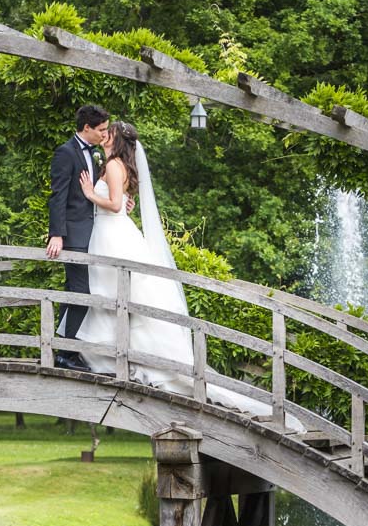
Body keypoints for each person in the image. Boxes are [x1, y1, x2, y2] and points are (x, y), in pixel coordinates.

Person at [75, 120, 304, 430]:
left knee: (117, 297)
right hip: (113, 234)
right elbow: (124, 204)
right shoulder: (117, 165)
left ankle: (122, 358)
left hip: (113, 235)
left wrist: (90, 193)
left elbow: (115, 205)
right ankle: (116, 356)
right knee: (116, 298)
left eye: (108, 133)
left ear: (117, 139)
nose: (104, 137)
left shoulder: (115, 165)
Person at [45, 103, 110, 371]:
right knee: (82, 292)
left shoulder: (93, 153)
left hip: (91, 231)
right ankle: (66, 353)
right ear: (87, 128)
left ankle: (64, 350)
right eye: (101, 130)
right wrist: (57, 234)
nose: (104, 134)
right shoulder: (65, 153)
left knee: (74, 291)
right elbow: (57, 195)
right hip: (73, 235)